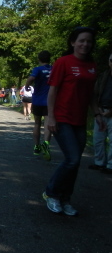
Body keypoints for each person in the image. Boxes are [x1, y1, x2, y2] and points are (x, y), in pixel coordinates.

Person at [43, 27, 103, 216]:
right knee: (73, 159)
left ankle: (65, 198)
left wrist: (97, 114)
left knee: (75, 163)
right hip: (62, 118)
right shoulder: (63, 62)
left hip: (79, 120)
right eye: (81, 40)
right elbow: (52, 91)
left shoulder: (92, 65)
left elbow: (91, 93)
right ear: (73, 42)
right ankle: (51, 193)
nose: (85, 44)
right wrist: (51, 117)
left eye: (89, 41)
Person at [25, 51, 52, 159]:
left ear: (39, 59)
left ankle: (37, 146)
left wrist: (27, 86)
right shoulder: (53, 69)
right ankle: (46, 143)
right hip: (49, 101)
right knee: (47, 123)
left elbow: (31, 78)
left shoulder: (37, 69)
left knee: (37, 123)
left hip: (37, 100)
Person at [90, 51, 112, 174]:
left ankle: (110, 165)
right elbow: (95, 93)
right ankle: (99, 162)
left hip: (110, 112)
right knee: (98, 139)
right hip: (101, 111)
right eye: (111, 60)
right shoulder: (104, 76)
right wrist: (97, 111)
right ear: (109, 62)